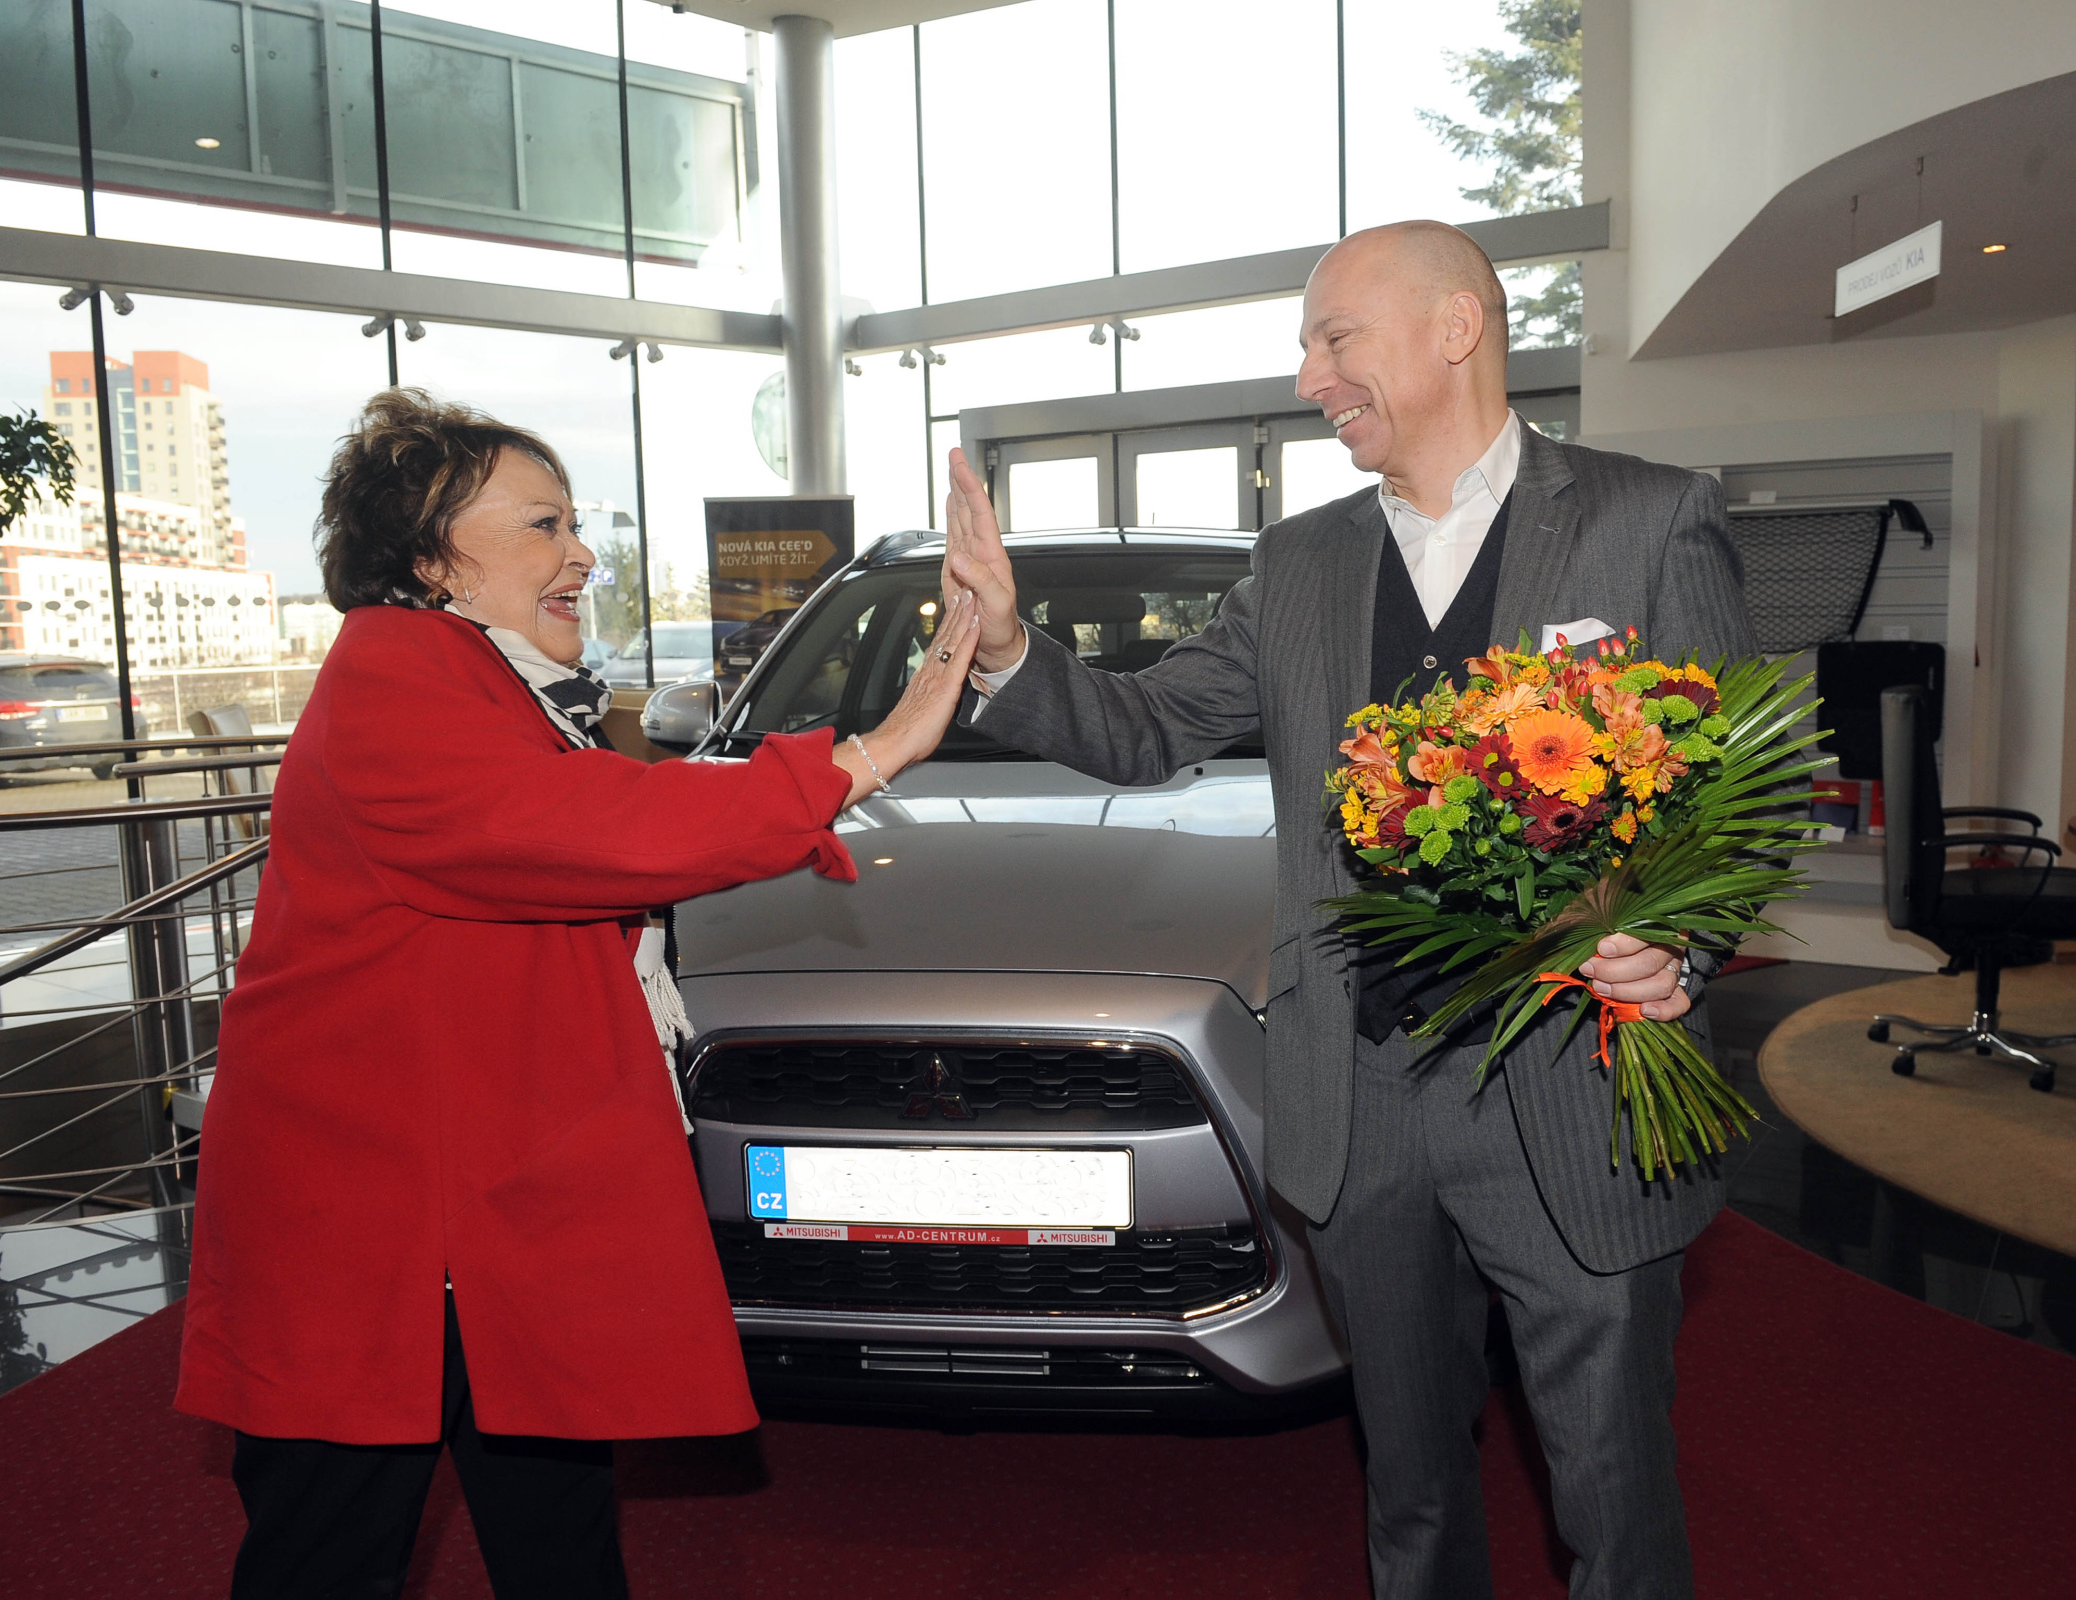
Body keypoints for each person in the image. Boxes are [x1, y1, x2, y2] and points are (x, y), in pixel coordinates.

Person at [943, 221, 1756, 1600]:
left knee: (1612, 1494)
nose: (1309, 378)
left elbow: (1736, 794)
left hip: (1576, 1085)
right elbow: (1148, 727)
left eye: (1334, 339)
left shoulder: (1649, 519)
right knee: (1411, 1488)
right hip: (1360, 1096)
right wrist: (1012, 643)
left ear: (1456, 328)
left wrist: (1678, 939)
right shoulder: (1301, 561)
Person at [175, 388, 980, 1599]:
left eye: (574, 524)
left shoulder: (487, 681)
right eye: (544, 526)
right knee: (333, 1551)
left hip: (485, 1215)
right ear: (434, 557)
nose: (583, 555)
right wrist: (869, 749)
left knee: (555, 1534)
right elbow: (588, 830)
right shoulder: (395, 681)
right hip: (375, 1232)